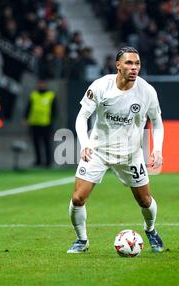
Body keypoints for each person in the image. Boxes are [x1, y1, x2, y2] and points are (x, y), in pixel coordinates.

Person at [67, 46, 165, 253]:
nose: (134, 68)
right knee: (78, 198)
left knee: (145, 200)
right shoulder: (101, 86)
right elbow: (82, 117)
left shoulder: (147, 91)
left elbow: (157, 123)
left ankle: (151, 229)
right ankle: (81, 241)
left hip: (130, 154)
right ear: (118, 65)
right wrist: (84, 144)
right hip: (98, 151)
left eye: (137, 63)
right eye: (129, 63)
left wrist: (157, 149)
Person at [23, 79, 57, 167]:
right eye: (39, 84)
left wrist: (52, 121)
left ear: (46, 85)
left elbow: (55, 110)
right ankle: (38, 161)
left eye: (42, 84)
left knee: (47, 143)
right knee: (36, 143)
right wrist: (25, 117)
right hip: (34, 122)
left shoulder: (51, 95)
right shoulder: (34, 95)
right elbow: (29, 107)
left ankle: (48, 162)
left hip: (46, 123)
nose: (41, 85)